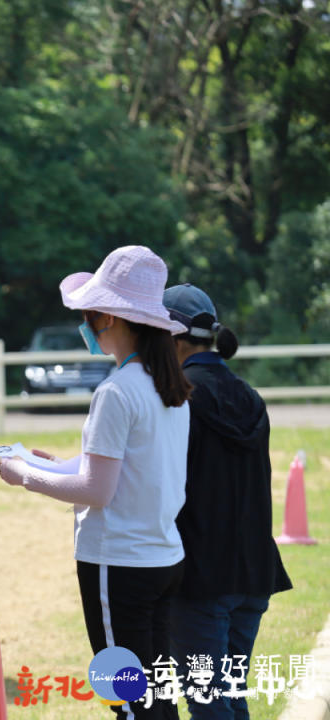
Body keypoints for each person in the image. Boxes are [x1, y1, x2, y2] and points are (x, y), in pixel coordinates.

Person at [0, 245, 191, 720]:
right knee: (159, 697)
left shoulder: (116, 391)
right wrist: (57, 464)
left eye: (88, 314)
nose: (84, 324)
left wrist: (25, 476)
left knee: (125, 699)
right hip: (163, 557)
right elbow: (117, 469)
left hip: (116, 564)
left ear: (107, 317)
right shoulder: (169, 388)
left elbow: (97, 491)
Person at [162, 283, 291, 719]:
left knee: (207, 702)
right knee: (229, 698)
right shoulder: (251, 397)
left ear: (172, 339)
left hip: (201, 580)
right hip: (253, 574)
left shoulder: (179, 398)